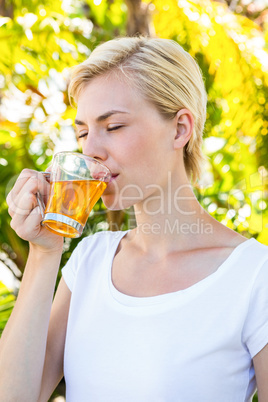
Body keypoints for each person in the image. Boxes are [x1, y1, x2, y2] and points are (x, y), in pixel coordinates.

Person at [0, 36, 268, 402]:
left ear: (180, 129)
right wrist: (44, 253)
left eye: (113, 127)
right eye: (82, 132)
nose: (91, 149)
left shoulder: (254, 276)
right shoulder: (89, 261)